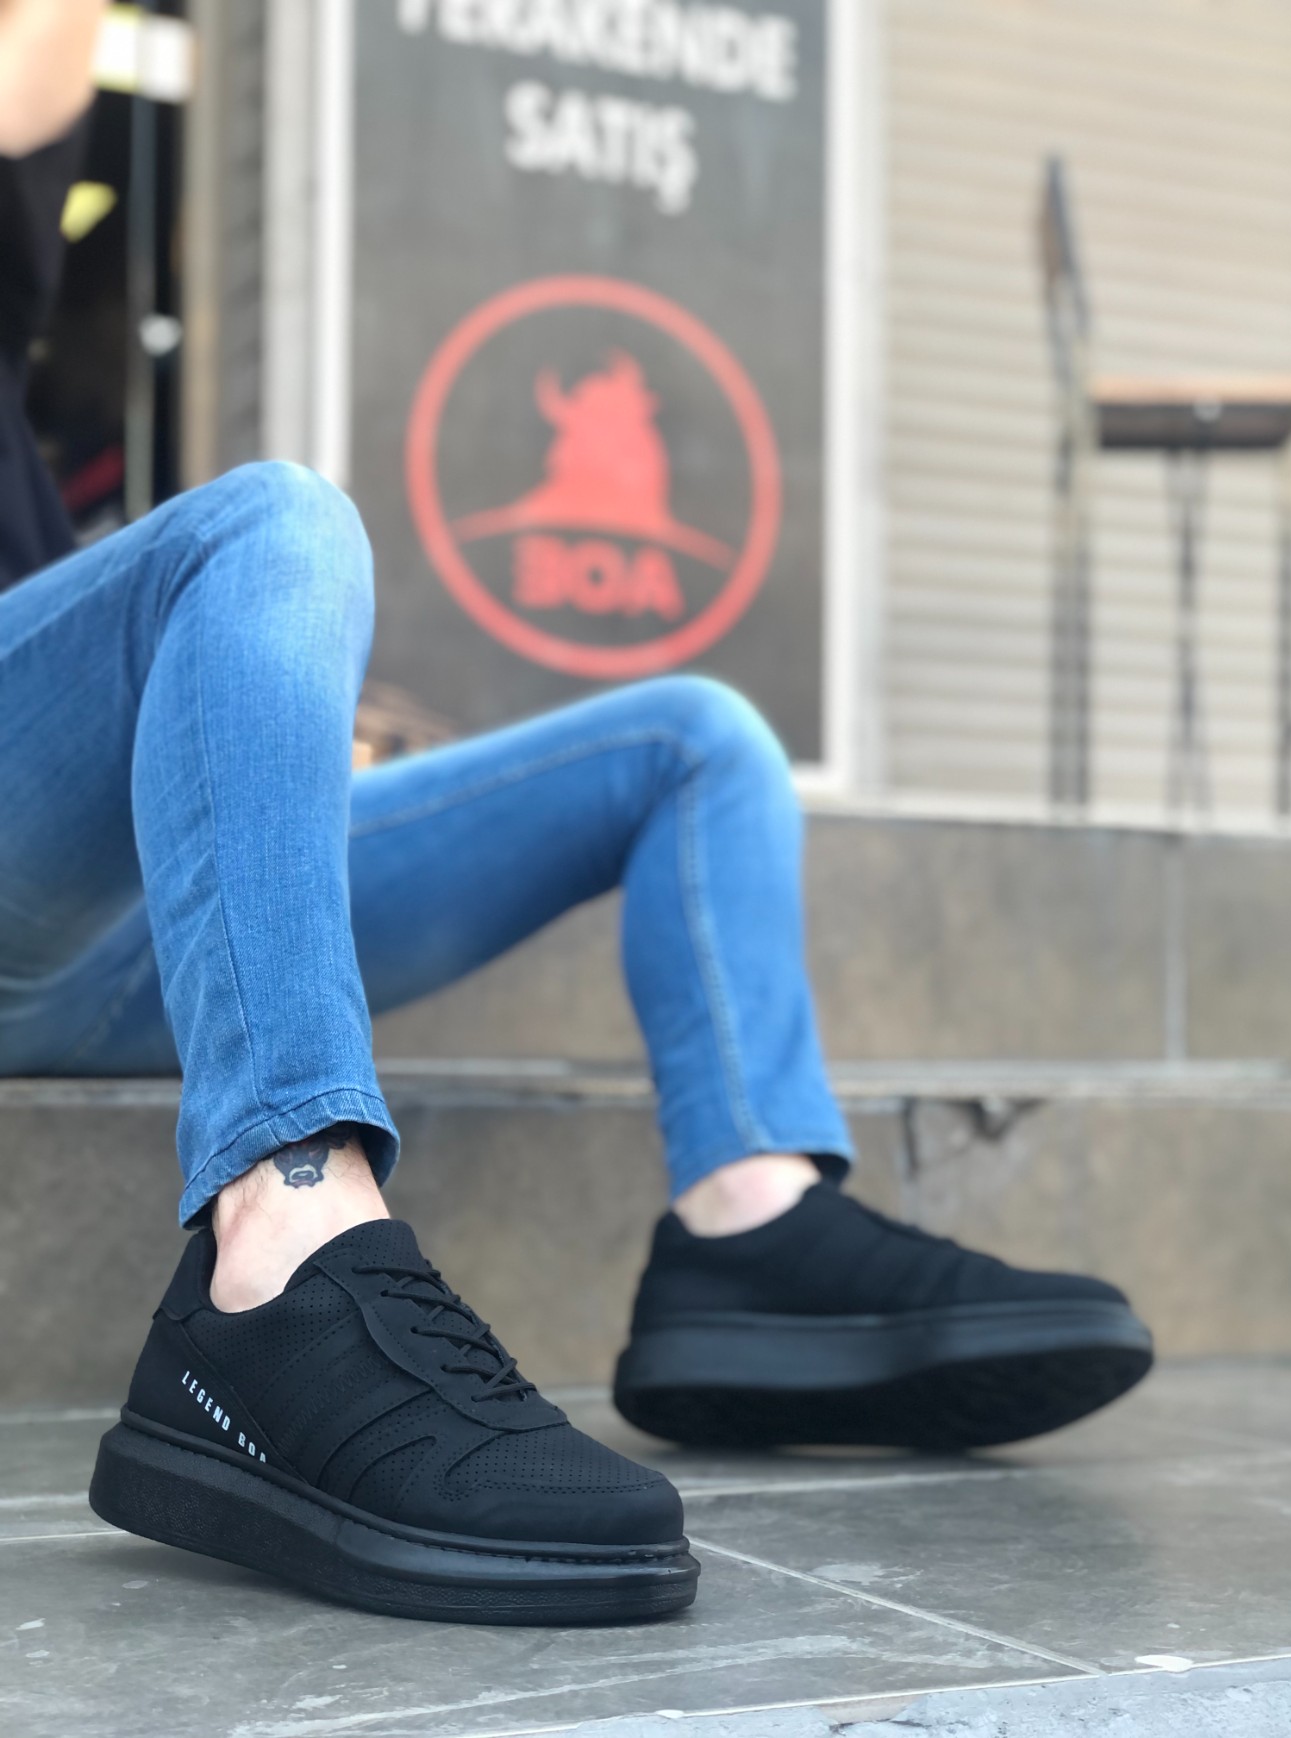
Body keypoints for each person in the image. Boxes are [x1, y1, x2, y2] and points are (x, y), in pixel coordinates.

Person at [0, 0, 1152, 1626]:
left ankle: (751, 1230)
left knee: (697, 739)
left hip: (81, 886)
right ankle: (280, 1250)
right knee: (275, 525)